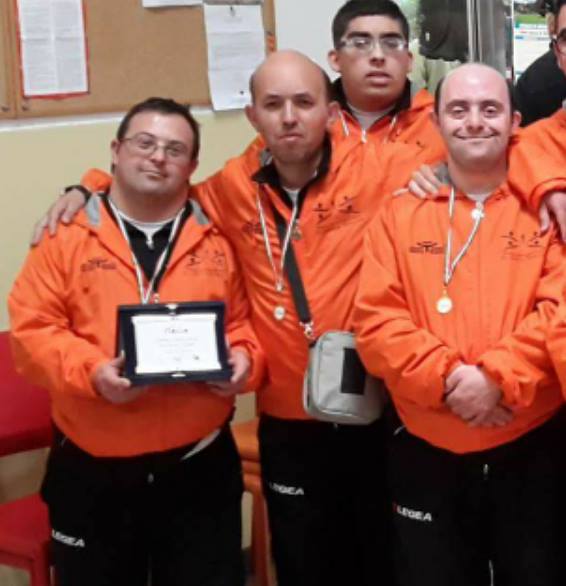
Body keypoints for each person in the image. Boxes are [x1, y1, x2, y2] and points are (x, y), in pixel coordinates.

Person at [8, 97, 264, 586]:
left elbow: (243, 323)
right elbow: (33, 331)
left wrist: (244, 359)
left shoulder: (219, 235)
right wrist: (92, 373)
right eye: (144, 143)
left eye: (174, 149)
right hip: (92, 469)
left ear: (192, 166)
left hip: (198, 464)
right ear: (115, 151)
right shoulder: (65, 235)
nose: (158, 157)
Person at [354, 63, 566, 586]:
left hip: (533, 445)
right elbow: (377, 321)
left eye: (490, 109)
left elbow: (558, 312)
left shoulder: (549, 212)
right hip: (425, 444)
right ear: (436, 123)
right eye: (458, 109)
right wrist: (450, 380)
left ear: (515, 122)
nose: (474, 121)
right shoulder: (398, 214)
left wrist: (495, 378)